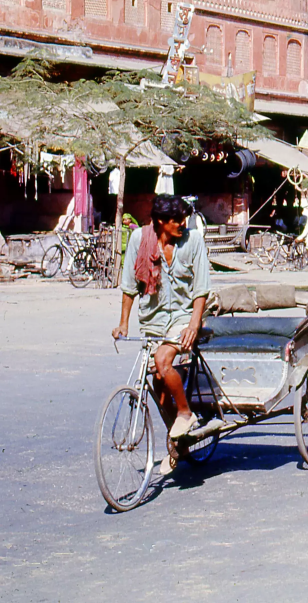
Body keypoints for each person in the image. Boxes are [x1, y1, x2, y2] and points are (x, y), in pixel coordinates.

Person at [112, 194, 211, 475]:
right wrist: (123, 324)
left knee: (163, 360)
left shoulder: (193, 241)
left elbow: (201, 288)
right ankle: (176, 440)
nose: (183, 224)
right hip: (152, 321)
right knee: (157, 384)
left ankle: (185, 413)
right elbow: (130, 286)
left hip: (183, 318)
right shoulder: (138, 241)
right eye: (176, 220)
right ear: (159, 222)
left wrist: (193, 325)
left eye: (184, 218)